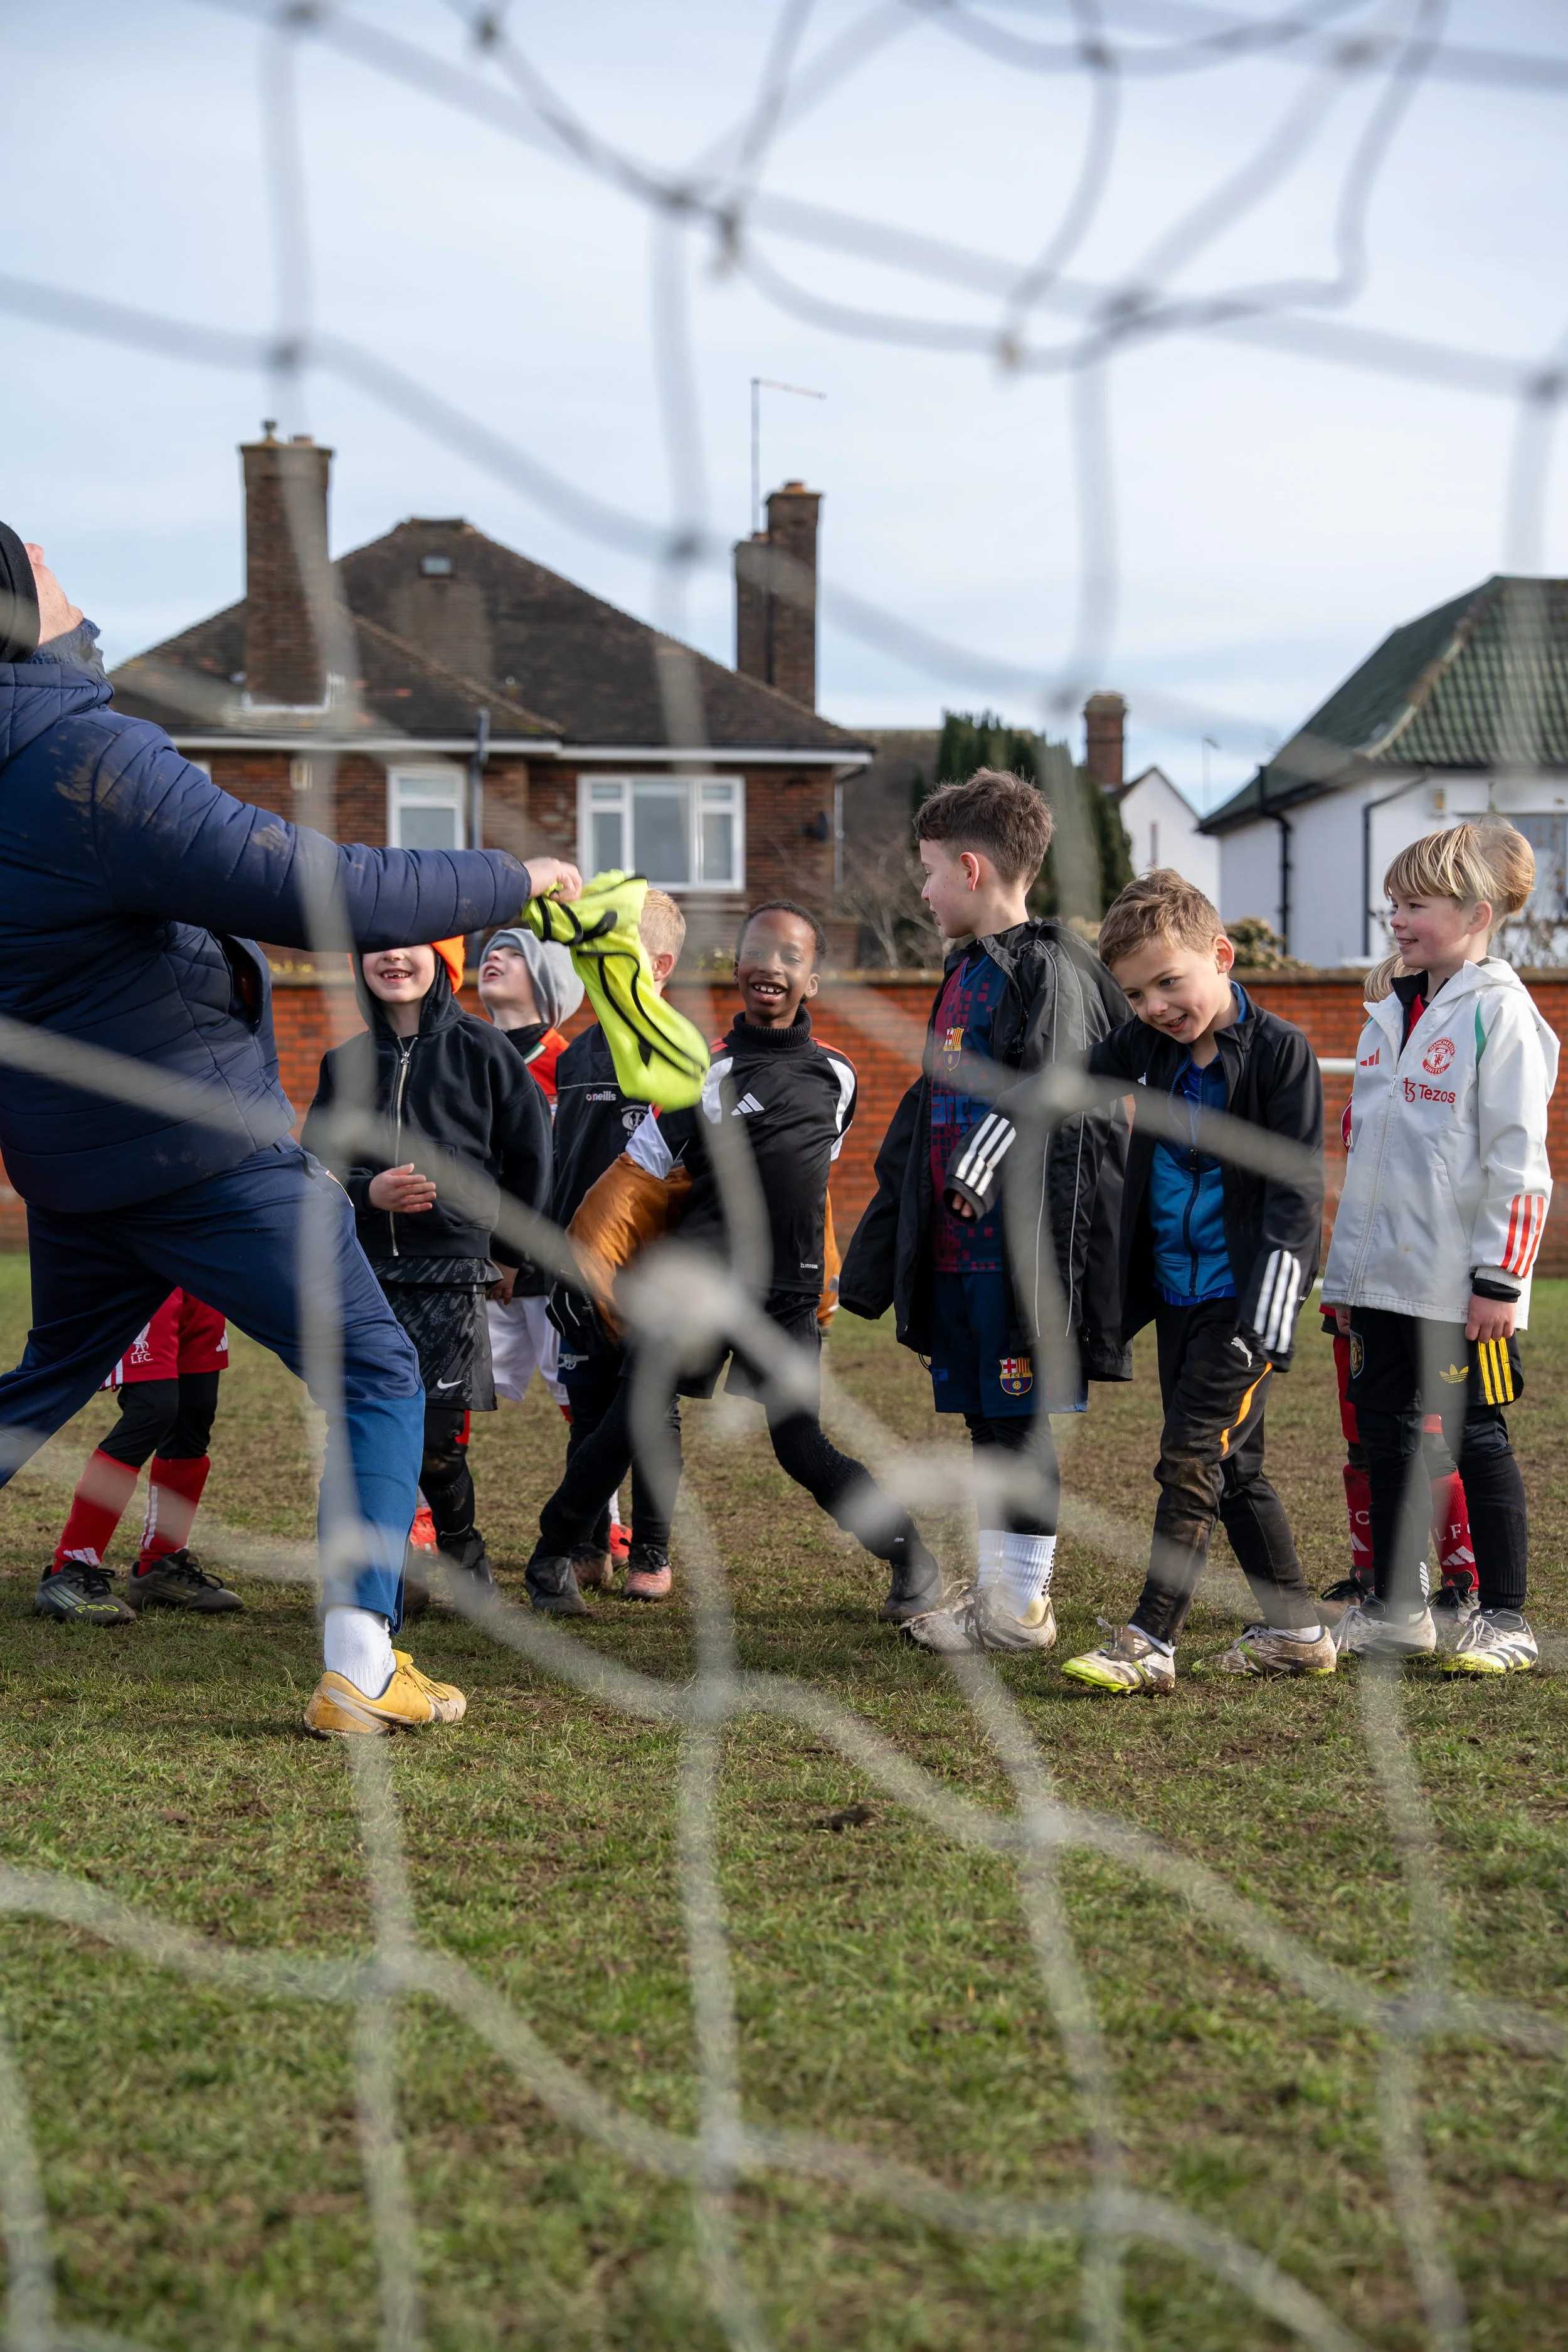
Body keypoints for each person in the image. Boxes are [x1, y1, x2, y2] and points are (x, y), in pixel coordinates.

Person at [0, 523, 580, 1732]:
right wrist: (513, 879)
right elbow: (333, 894)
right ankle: (361, 1667)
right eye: (38, 556)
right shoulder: (88, 764)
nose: (61, 557)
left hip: (68, 1157)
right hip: (199, 1151)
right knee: (376, 1368)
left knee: (40, 1382)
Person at [529, 900, 945, 1620]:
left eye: (791, 957)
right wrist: (583, 1260)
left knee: (799, 1445)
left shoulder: (838, 1078)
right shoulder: (702, 1072)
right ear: (736, 967)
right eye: (757, 952)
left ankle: (911, 1561)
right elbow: (638, 1171)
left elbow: (809, 1189)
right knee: (629, 1421)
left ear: (813, 979)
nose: (771, 968)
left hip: (785, 1297)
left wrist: (822, 1279)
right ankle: (549, 1558)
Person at [838, 769, 1131, 1654]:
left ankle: (1024, 1609)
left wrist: (977, 1165)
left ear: (970, 868)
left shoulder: (1050, 966)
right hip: (960, 1254)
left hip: (1021, 1256)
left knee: (1017, 1420)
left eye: (926, 872)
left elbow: (1063, 1092)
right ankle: (1003, 1594)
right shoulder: (965, 971)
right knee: (985, 1421)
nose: (921, 891)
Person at [1060, 870, 1332, 1692]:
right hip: (1177, 1298)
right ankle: (1301, 1634)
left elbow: (1297, 1198)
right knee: (1234, 1467)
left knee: (1189, 1458)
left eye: (1168, 982)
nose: (1154, 1007)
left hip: (1243, 1308)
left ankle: (1150, 1640)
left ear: (1221, 954)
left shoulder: (1281, 1053)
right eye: (1135, 993)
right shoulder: (1143, 1048)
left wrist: (1265, 1328)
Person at [1322, 821, 1554, 1673]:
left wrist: (1500, 1279)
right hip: (1380, 1285)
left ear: (1477, 912)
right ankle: (1398, 1609)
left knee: (1476, 1439)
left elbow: (1520, 1165)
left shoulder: (1503, 1015)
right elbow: (1370, 1158)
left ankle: (1506, 1618)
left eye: (1415, 903)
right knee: (1383, 1440)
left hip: (1462, 1293)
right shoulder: (1390, 1011)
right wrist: (1343, 1275)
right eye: (1393, 903)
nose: (1398, 918)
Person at [302, 935, 553, 1599]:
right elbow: (313, 1170)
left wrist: (507, 1254)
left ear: (443, 962)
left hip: (450, 1270)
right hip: (361, 1271)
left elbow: (531, 1159)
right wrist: (366, 1195)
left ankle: (463, 1558)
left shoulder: (485, 1051)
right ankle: (369, 1570)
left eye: (412, 946)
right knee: (358, 1425)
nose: (394, 959)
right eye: (378, 948)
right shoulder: (344, 1062)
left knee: (439, 1440)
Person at [546, 889, 686, 1599]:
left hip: (655, 1279)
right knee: (588, 1412)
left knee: (651, 1415)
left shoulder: (683, 1056)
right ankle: (588, 1545)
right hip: (579, 1271)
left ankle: (652, 1554)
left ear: (658, 967)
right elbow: (563, 1165)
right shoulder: (573, 1056)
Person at [46, 1288, 242, 1616]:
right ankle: (68, 1569)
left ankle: (161, 1565)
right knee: (152, 1409)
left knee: (195, 1411)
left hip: (201, 1265)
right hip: (145, 1263)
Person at [475, 924, 585, 1418]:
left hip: (554, 1265)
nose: (493, 957)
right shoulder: (464, 1055)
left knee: (577, 1396)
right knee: (451, 1390)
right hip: (474, 1262)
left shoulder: (571, 1065)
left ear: (547, 982)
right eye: (491, 950)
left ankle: (598, 1500)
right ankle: (427, 1500)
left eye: (513, 953)